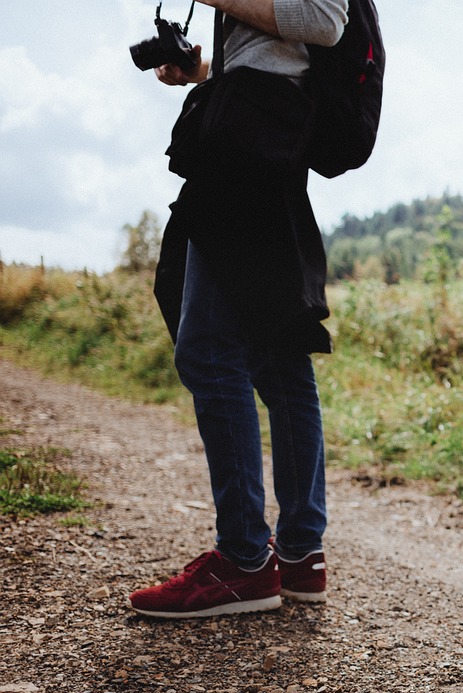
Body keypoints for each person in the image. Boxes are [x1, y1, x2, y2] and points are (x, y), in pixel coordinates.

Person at [129, 0, 348, 618]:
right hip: (264, 134)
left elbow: (324, 19)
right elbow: (283, 51)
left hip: (248, 143)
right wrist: (203, 71)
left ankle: (246, 562)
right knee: (277, 355)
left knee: (209, 351)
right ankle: (301, 555)